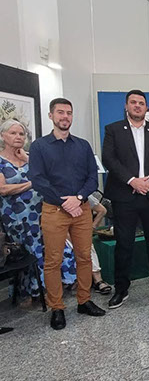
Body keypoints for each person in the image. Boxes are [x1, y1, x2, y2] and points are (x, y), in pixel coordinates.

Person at [29, 97, 105, 330]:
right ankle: (57, 308)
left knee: (84, 256)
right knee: (53, 260)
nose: (65, 117)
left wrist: (79, 198)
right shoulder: (39, 146)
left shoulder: (82, 146)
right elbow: (38, 180)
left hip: (81, 209)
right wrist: (65, 202)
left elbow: (92, 177)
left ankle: (84, 300)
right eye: (60, 112)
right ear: (51, 115)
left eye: (69, 113)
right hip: (54, 210)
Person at [102, 89, 149, 309]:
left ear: (146, 107)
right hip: (125, 196)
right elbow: (109, 159)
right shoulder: (113, 130)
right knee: (124, 244)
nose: (137, 106)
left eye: (141, 103)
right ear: (126, 106)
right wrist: (132, 181)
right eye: (133, 102)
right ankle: (121, 289)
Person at [0, 120, 78, 301]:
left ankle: (58, 284)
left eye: (21, 134)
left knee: (54, 246)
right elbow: (3, 189)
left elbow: (52, 176)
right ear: (3, 136)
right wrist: (32, 183)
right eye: (13, 133)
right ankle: (35, 290)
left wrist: (28, 160)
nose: (18, 137)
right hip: (18, 216)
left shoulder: (30, 157)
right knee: (32, 250)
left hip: (43, 210)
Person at [88, 194, 112, 295]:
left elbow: (102, 210)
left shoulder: (84, 195)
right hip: (56, 231)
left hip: (79, 231)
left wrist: (93, 226)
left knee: (88, 246)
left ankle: (98, 280)